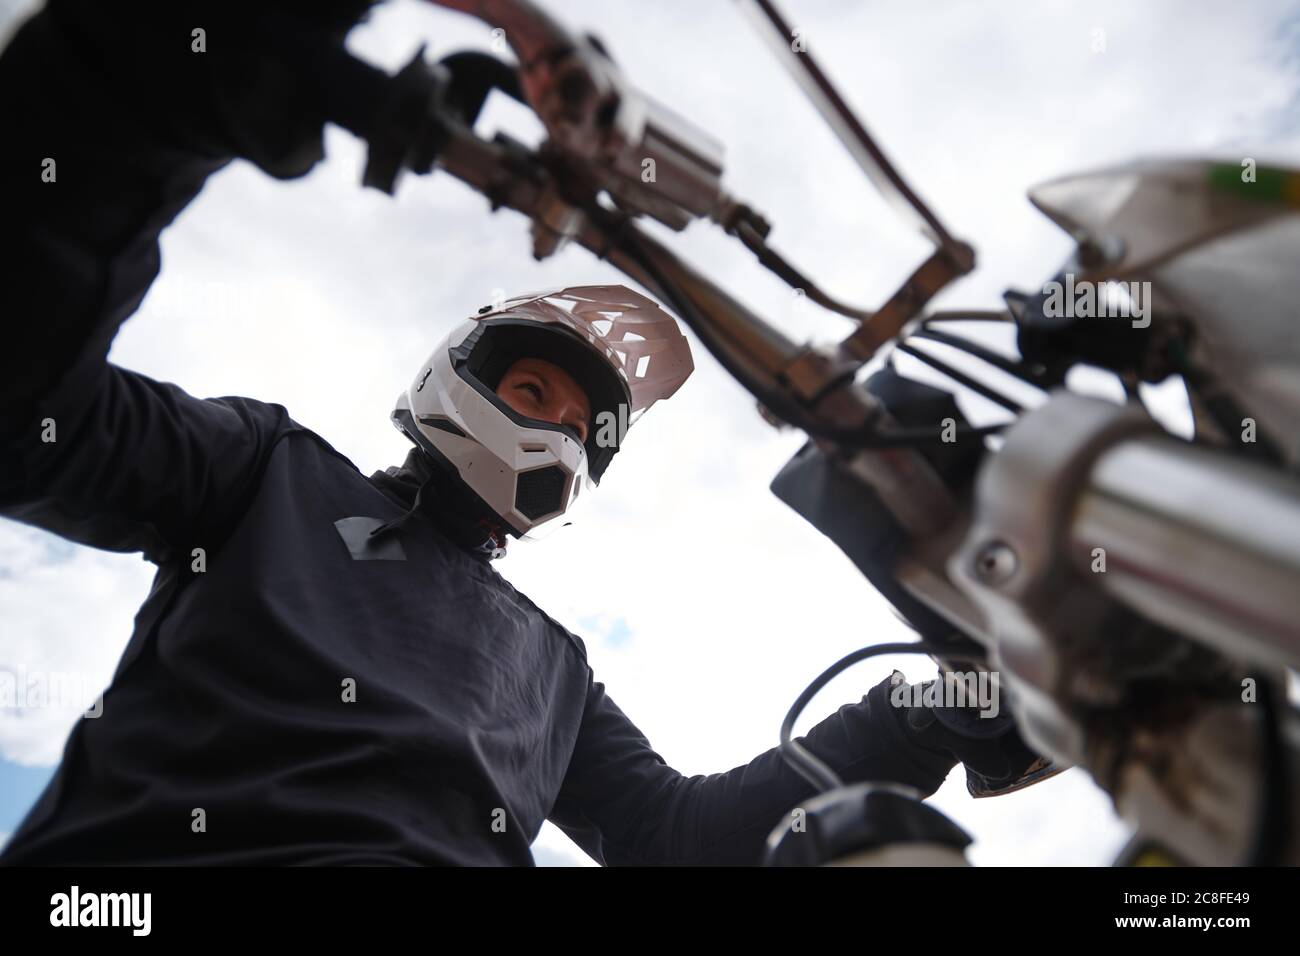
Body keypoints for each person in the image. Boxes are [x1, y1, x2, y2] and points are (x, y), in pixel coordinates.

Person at [0, 1, 1043, 866]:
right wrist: (143, 87)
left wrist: (911, 716)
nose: (557, 429)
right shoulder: (265, 472)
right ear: (461, 374)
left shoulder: (553, 667)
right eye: (540, 389)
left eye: (586, 428)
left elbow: (677, 839)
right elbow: (30, 413)